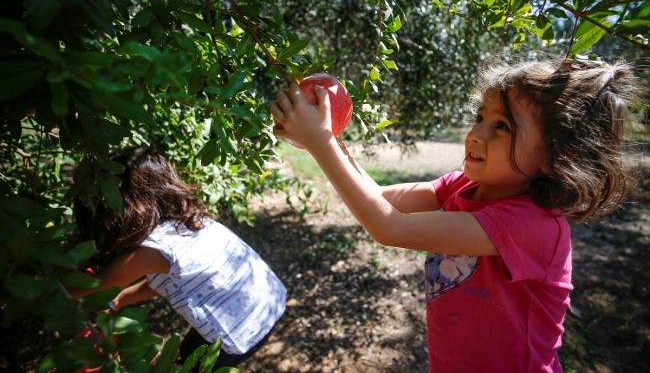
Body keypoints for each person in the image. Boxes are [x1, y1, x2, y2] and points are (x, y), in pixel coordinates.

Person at [270, 58, 640, 372]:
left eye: (502, 126)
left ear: (556, 155)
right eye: (481, 116)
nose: (476, 134)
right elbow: (383, 199)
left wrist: (320, 143)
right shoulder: (460, 186)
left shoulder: (534, 224)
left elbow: (390, 226)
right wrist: (327, 135)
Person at [69, 146, 286, 370]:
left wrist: (45, 283)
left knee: (195, 364)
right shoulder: (188, 223)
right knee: (190, 349)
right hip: (266, 301)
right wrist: (121, 298)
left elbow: (93, 289)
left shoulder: (151, 251)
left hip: (242, 330)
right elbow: (174, 282)